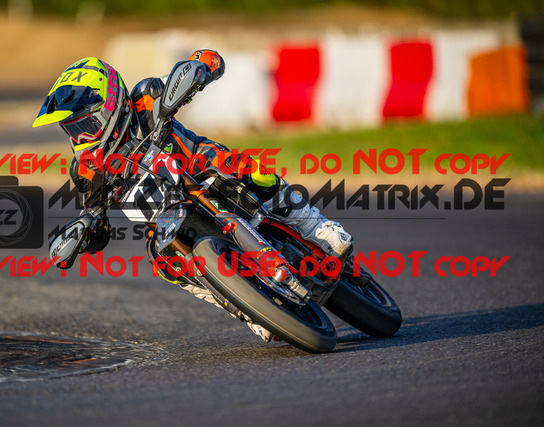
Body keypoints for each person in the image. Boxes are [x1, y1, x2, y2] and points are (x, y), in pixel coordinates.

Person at [33, 50, 352, 342]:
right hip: (167, 217)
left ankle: (315, 226)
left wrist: (201, 66)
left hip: (201, 166)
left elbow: (194, 73)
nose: (81, 137)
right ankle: (247, 310)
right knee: (163, 261)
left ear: (110, 104)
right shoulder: (86, 171)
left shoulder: (145, 98)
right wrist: (86, 235)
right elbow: (97, 223)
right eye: (72, 130)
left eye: (86, 124)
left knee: (248, 171)